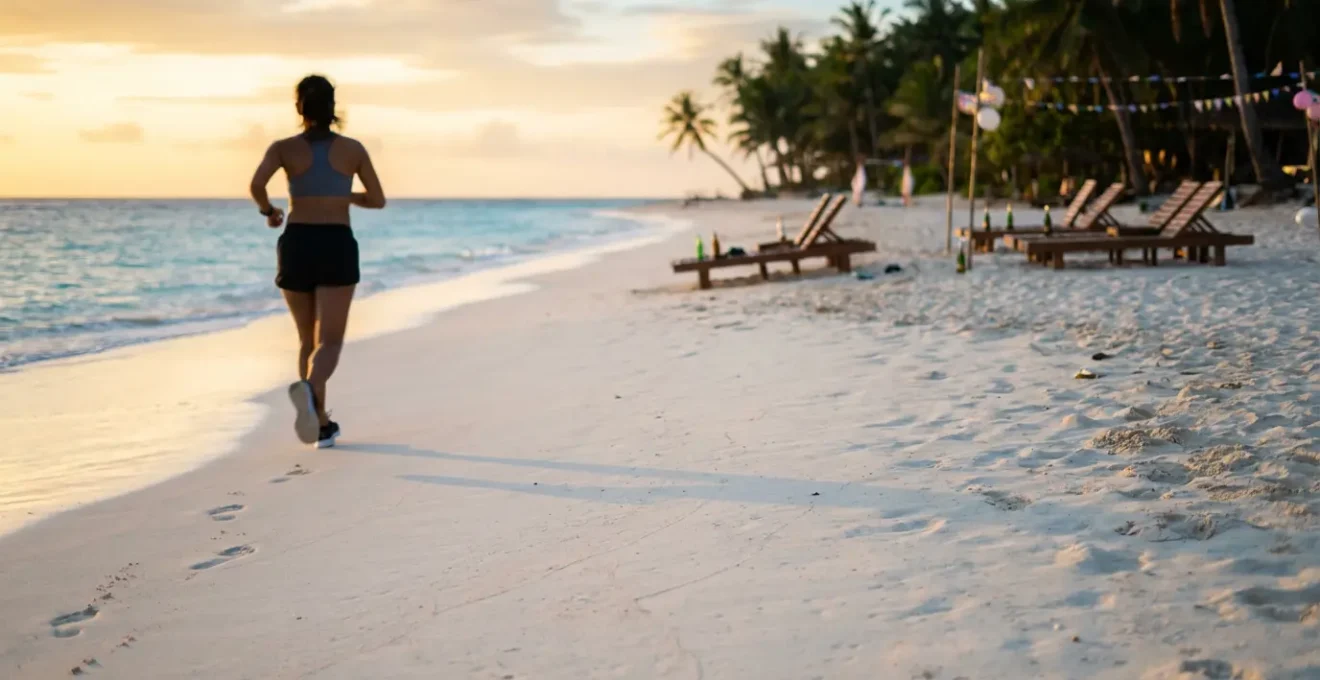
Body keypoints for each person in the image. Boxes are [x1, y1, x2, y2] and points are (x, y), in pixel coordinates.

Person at [249, 74, 386, 448]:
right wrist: (343, 196)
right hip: (335, 243)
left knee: (306, 340)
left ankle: (320, 423)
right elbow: (377, 199)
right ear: (333, 107)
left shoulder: (283, 148)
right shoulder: (353, 149)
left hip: (296, 243)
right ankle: (310, 390)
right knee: (330, 341)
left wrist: (269, 211)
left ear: (299, 108)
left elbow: (257, 185)